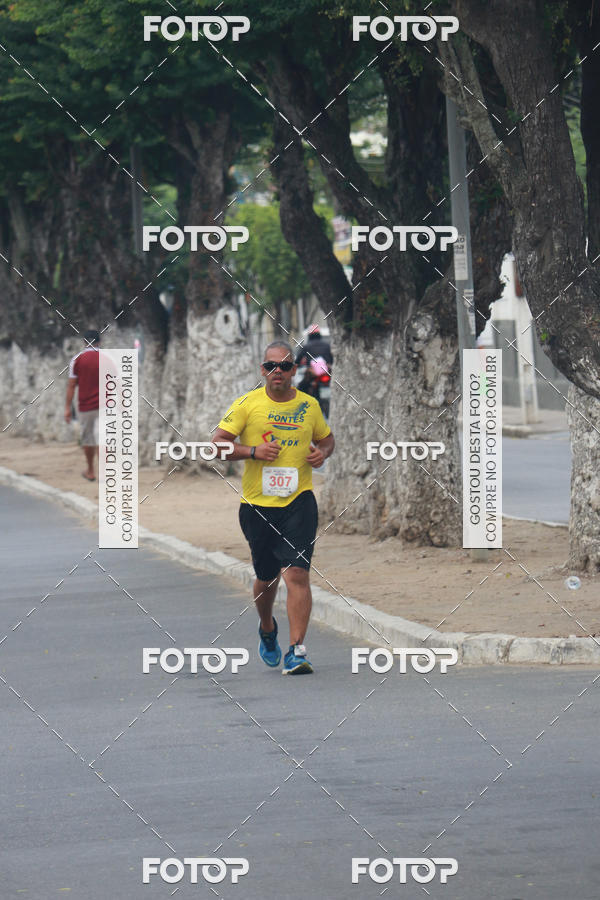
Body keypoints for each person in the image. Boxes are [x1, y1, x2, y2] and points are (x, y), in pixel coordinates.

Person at [212, 341, 335, 675]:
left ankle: (297, 650)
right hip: (257, 507)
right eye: (270, 366)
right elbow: (217, 445)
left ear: (294, 369)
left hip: (299, 502)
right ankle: (267, 626)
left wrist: (322, 453)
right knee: (266, 578)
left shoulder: (309, 406)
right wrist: (253, 452)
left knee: (297, 573)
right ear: (262, 370)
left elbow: (327, 439)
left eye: (284, 366)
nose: (277, 372)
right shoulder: (246, 405)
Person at [65, 330, 100, 481]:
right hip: (107, 406)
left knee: (88, 439)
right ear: (99, 342)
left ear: (84, 342)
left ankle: (91, 471)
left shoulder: (77, 360)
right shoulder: (108, 358)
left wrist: (67, 408)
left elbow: (72, 386)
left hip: (86, 407)